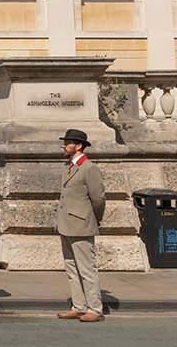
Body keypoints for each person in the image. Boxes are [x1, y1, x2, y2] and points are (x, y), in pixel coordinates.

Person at [56, 128, 106, 322]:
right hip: (66, 224)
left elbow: (98, 198)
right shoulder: (67, 166)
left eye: (68, 142)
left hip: (81, 224)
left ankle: (95, 308)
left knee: (86, 269)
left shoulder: (89, 168)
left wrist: (93, 219)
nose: (64, 145)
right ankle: (78, 306)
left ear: (78, 146)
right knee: (71, 269)